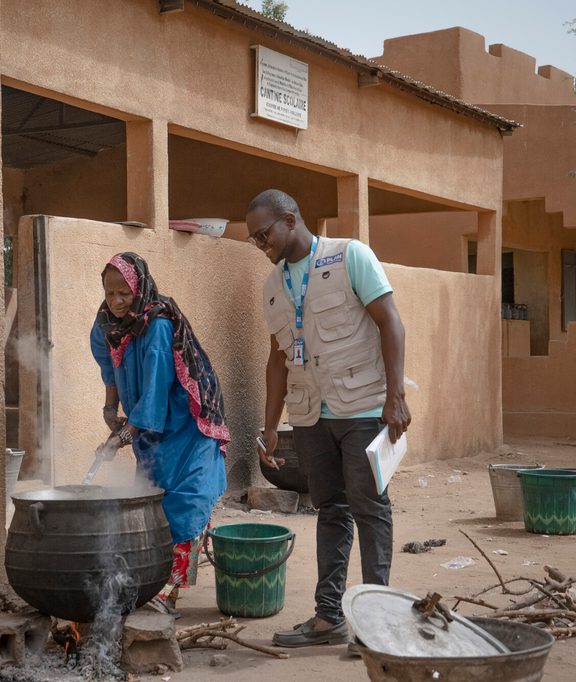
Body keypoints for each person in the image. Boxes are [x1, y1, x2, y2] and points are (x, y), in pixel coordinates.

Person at [245, 189, 411, 648]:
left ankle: (378, 624)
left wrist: (395, 397)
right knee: (330, 512)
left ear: (291, 219)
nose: (262, 244)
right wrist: (270, 426)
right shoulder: (272, 287)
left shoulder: (349, 257)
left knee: (370, 511)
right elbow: (277, 359)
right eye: (254, 239)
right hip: (310, 416)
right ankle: (327, 617)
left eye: (265, 234)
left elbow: (390, 322)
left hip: (361, 409)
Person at [90, 251, 230, 615]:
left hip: (187, 422)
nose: (117, 302)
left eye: (125, 293)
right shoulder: (106, 323)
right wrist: (110, 411)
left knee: (186, 500)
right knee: (153, 498)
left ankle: (168, 590)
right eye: (110, 293)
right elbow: (110, 368)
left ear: (139, 288)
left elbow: (155, 391)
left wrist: (120, 437)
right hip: (150, 426)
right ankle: (156, 576)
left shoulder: (157, 325)